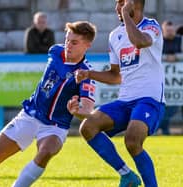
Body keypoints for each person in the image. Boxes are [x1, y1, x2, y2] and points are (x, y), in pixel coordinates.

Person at [0, 21, 96, 187]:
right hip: (30, 115)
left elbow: (87, 108)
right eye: (66, 40)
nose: (68, 45)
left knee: (46, 152)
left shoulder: (86, 73)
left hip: (56, 126)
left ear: (87, 45)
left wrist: (77, 111)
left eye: (74, 42)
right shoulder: (55, 51)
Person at [68, 0, 165, 186]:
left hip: (150, 99)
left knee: (132, 139)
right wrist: (89, 74)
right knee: (88, 127)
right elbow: (115, 76)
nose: (116, 7)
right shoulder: (115, 36)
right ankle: (127, 175)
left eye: (120, 2)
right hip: (125, 100)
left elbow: (140, 41)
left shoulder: (151, 26)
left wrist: (128, 17)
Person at [160, 20, 183, 135]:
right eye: (167, 31)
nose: (170, 33)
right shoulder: (159, 41)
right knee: (166, 108)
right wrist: (166, 58)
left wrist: (176, 57)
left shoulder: (180, 41)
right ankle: (165, 130)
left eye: (171, 30)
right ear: (163, 31)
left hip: (179, 83)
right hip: (164, 83)